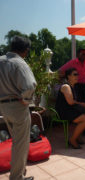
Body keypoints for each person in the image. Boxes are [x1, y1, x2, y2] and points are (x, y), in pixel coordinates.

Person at [0, 36, 36, 180]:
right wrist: (26, 99)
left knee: (16, 142)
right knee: (20, 144)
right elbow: (30, 85)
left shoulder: (1, 60)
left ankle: (20, 170)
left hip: (3, 107)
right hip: (17, 106)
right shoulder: (19, 63)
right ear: (25, 50)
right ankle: (17, 177)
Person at [59, 49, 85, 137]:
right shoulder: (73, 62)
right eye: (83, 54)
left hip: (83, 87)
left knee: (84, 107)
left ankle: (84, 128)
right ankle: (83, 129)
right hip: (75, 86)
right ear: (78, 54)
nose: (84, 55)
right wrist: (63, 78)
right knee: (79, 107)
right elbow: (61, 70)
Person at [56, 68, 85, 149]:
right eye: (75, 74)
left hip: (70, 110)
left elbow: (72, 102)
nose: (77, 76)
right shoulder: (66, 86)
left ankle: (77, 136)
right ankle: (72, 140)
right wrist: (81, 104)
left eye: (77, 74)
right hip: (64, 111)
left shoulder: (73, 86)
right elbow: (70, 102)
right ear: (68, 76)